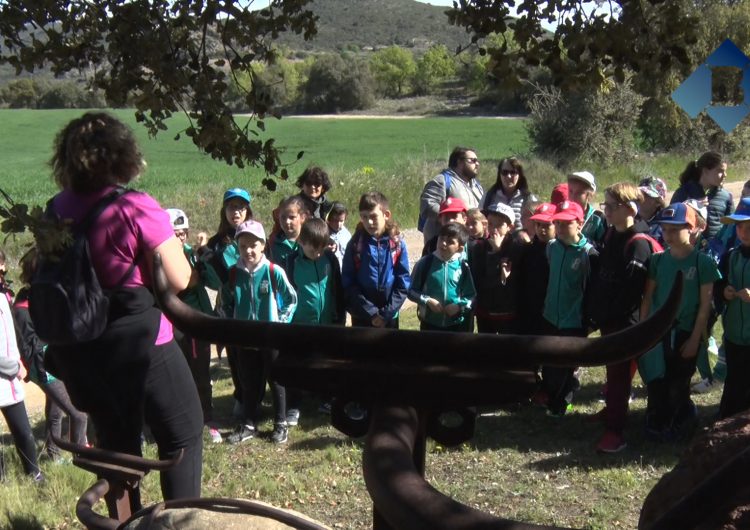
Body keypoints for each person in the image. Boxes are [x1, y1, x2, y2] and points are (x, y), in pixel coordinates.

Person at [43, 112, 202, 509]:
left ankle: (122, 519)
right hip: (142, 348)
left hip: (82, 353)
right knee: (183, 434)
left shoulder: (54, 210)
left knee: (117, 451)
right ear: (122, 155)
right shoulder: (134, 207)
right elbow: (181, 279)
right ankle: (181, 521)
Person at [639, 202, 720, 441]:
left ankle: (682, 416)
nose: (669, 235)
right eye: (665, 230)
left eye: (675, 229)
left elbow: (705, 306)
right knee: (657, 378)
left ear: (692, 229)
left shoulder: (702, 263)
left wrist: (695, 339)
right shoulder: (658, 260)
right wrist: (643, 331)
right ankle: (658, 417)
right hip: (658, 331)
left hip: (686, 331)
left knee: (679, 380)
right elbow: (648, 297)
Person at [587, 183, 655, 453]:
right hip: (608, 320)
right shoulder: (611, 234)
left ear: (629, 208)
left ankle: (615, 432)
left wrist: (606, 316)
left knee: (620, 377)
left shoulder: (638, 244)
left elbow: (630, 294)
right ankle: (613, 411)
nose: (607, 212)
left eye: (612, 207)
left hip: (627, 324)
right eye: (605, 206)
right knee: (614, 374)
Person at [224, 220, 297, 445]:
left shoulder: (274, 271)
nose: (248, 250)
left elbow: (292, 299)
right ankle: (248, 424)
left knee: (276, 380)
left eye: (253, 245)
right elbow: (226, 303)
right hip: (245, 340)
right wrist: (232, 326)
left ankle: (280, 423)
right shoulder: (234, 274)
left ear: (263, 245)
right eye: (243, 245)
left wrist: (280, 324)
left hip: (270, 338)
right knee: (249, 382)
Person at [12, 248, 89, 461]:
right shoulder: (22, 308)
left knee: (56, 412)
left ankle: (54, 454)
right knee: (79, 414)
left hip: (54, 362)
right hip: (45, 368)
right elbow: (32, 347)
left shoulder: (41, 298)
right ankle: (81, 457)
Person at [166, 208, 221, 444]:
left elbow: (217, 283)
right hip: (173, 324)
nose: (179, 238)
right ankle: (180, 421)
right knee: (177, 376)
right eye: (174, 234)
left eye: (182, 234)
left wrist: (203, 258)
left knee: (201, 373)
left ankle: (207, 419)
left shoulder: (193, 255)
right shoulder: (161, 260)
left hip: (197, 323)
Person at [539, 201, 598, 416]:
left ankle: (562, 403)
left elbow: (592, 290)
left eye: (567, 223)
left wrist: (589, 321)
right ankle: (549, 396)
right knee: (548, 360)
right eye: (558, 223)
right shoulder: (551, 247)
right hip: (550, 315)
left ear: (580, 224)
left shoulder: (588, 254)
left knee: (566, 364)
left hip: (572, 319)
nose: (561, 228)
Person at [200, 187, 253, 420]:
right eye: (232, 207)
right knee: (234, 356)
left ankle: (256, 397)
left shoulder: (255, 236)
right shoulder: (216, 243)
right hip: (229, 309)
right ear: (225, 211)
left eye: (241, 207)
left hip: (253, 305)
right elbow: (213, 281)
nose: (237, 212)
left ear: (247, 211)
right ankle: (242, 397)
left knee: (254, 355)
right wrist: (206, 257)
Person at [288, 218, 346, 422]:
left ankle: (325, 399)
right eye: (313, 249)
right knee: (298, 365)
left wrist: (339, 317)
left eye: (322, 249)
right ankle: (293, 404)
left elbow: (337, 290)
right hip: (300, 325)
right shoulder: (291, 262)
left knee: (326, 363)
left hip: (327, 323)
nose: (318, 254)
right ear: (301, 241)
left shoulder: (330, 260)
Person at [343, 192, 411, 329]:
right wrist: (372, 312)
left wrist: (386, 313)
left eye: (373, 216)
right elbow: (348, 283)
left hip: (389, 316)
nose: (368, 222)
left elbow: (403, 283)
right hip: (362, 315)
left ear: (386, 215)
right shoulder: (356, 245)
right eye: (364, 217)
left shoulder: (397, 244)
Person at [0, 287, 41, 482]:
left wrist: (23, 360)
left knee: (24, 432)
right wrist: (15, 367)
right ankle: (3, 480)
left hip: (9, 381)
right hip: (7, 373)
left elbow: (14, 335)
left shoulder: (3, 297)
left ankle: (34, 475)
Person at [409, 222, 476, 332]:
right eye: (441, 239)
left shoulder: (463, 267)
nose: (443, 243)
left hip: (456, 325)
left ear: (459, 248)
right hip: (429, 324)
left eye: (450, 242)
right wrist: (427, 301)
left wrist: (459, 306)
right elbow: (410, 290)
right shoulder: (424, 263)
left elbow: (471, 296)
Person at [715, 207, 750, 419]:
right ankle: (728, 416)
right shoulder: (730, 256)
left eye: (749, 227)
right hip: (735, 333)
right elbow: (718, 284)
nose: (743, 232)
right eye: (739, 227)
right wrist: (724, 292)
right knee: (735, 378)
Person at [468, 203, 522, 335]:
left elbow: (513, 283)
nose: (494, 230)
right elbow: (480, 281)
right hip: (485, 311)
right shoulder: (479, 247)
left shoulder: (516, 248)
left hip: (507, 312)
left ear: (510, 227)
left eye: (499, 225)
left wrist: (498, 253)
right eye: (491, 224)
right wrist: (495, 255)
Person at [419, 147, 484, 245]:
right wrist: (451, 218)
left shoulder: (476, 185)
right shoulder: (442, 181)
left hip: (468, 242)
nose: (477, 164)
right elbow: (427, 206)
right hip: (442, 243)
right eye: (473, 161)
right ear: (460, 162)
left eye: (477, 161)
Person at [671, 151, 732, 239]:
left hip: (716, 250)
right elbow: (671, 222)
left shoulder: (726, 196)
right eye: (720, 171)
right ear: (705, 171)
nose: (725, 175)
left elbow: (731, 227)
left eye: (725, 171)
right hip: (690, 249)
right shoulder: (684, 192)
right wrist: (689, 206)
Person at [516, 203, 556, 335]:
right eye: (538, 225)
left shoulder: (559, 251)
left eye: (546, 225)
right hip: (530, 309)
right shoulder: (528, 249)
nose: (542, 230)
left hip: (551, 312)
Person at [480, 156, 533, 231]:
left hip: (520, 241)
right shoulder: (489, 196)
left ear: (519, 175)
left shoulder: (528, 198)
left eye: (513, 172)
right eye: (504, 172)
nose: (508, 176)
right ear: (499, 174)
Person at [267, 195, 310, 271]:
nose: (287, 222)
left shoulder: (310, 241)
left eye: (292, 217)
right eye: (283, 217)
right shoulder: (273, 244)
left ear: (303, 217)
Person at [567, 171, 606, 248]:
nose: (573, 197)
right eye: (570, 191)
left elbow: (602, 247)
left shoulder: (597, 218)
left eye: (579, 193)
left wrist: (579, 239)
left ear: (589, 195)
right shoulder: (562, 214)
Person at [637, 176, 668, 246]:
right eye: (639, 193)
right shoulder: (630, 219)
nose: (640, 197)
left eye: (646, 195)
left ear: (658, 203)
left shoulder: (664, 226)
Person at [327, 201, 351, 269]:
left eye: (341, 221)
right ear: (328, 218)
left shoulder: (346, 235)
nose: (338, 224)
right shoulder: (324, 233)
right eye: (335, 220)